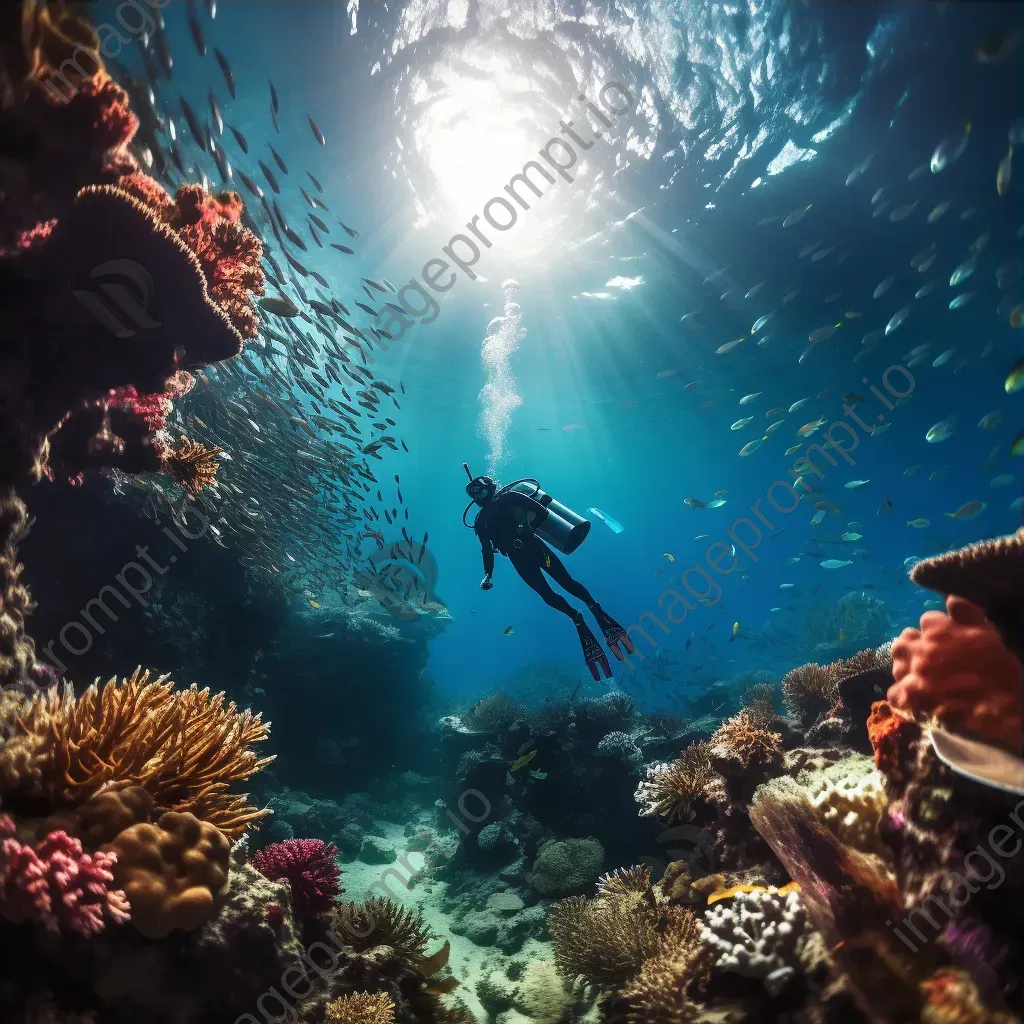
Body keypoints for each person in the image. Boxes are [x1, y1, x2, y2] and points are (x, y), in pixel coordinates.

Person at [466, 472, 634, 680]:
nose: (478, 496)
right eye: (473, 494)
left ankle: (594, 607)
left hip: (536, 549)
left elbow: (541, 511)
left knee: (566, 583)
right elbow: (485, 549)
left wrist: (522, 526)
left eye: (480, 490)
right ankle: (576, 617)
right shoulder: (480, 521)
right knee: (547, 595)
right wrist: (487, 575)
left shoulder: (509, 498)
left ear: (489, 487)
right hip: (520, 559)